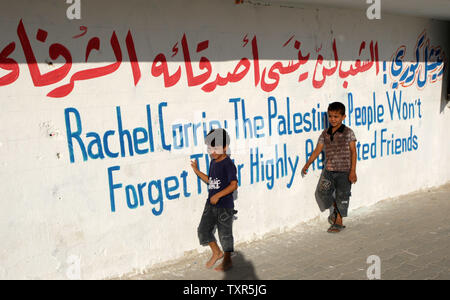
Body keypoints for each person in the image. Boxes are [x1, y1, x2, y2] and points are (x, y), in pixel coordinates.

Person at [301, 102, 357, 233]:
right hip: (329, 170)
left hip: (344, 171)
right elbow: (317, 150)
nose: (333, 119)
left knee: (342, 196)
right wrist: (307, 164)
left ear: (343, 117)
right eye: (330, 116)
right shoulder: (325, 133)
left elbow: (353, 152)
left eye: (336, 116)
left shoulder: (348, 132)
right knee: (322, 192)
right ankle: (336, 210)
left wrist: (353, 171)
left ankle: (338, 221)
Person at [190, 128, 238, 271]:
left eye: (216, 148)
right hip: (210, 205)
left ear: (225, 148)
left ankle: (228, 260)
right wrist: (197, 171)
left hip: (224, 206)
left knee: (225, 235)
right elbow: (211, 181)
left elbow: (234, 185)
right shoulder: (213, 162)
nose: (212, 152)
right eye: (210, 148)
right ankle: (217, 252)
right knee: (203, 230)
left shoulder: (228, 164)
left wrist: (218, 195)